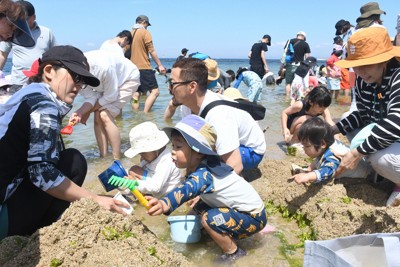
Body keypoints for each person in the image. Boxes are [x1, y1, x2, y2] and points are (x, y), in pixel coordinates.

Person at [0, 45, 129, 240]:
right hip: (5, 223)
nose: (78, 86)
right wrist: (94, 200)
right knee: (73, 161)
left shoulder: (23, 96)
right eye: (75, 77)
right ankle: (35, 235)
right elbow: (42, 174)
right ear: (49, 71)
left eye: (82, 81)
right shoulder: (44, 106)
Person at [147, 115, 267, 263]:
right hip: (244, 211)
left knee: (208, 218)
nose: (172, 151)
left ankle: (233, 252)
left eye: (178, 147)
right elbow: (193, 190)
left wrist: (163, 203)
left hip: (254, 217)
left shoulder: (204, 174)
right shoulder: (201, 167)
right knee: (199, 206)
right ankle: (206, 232)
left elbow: (185, 190)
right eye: (173, 146)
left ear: (198, 152)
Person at [332, 27, 400, 207]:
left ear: (384, 60)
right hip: (389, 138)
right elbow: (363, 115)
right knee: (348, 119)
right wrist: (332, 130)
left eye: (366, 64)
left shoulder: (398, 76)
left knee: (380, 158)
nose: (360, 71)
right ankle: (377, 171)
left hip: (395, 135)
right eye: (356, 65)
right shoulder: (363, 81)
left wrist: (357, 152)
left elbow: (396, 122)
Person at [166, 58, 266, 174]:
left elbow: (235, 165)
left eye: (172, 83)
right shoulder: (186, 106)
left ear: (192, 87)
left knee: (214, 167)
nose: (169, 88)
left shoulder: (218, 115)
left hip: (250, 150)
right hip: (228, 142)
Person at [70, 49, 140, 160]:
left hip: (128, 78)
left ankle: (117, 157)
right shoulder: (75, 74)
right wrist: (80, 112)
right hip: (107, 85)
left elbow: (110, 96)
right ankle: (103, 156)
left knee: (104, 114)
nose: (78, 87)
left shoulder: (103, 67)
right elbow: (91, 97)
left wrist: (87, 111)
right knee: (97, 116)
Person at [289, 117, 370, 185]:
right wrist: (310, 168)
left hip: (364, 176)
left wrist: (308, 176)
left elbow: (327, 171)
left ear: (322, 144)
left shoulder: (333, 153)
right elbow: (319, 157)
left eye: (306, 146)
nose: (304, 149)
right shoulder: (325, 145)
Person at [0, 1, 56, 93]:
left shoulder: (47, 32)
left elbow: (54, 56)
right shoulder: (6, 34)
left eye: (14, 30)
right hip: (18, 82)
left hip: (40, 82)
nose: (10, 35)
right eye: (10, 25)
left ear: (34, 17)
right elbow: (2, 55)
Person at [124, 121, 181, 199]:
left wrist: (135, 183)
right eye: (140, 153)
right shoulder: (150, 157)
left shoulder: (167, 160)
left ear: (155, 148)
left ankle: (140, 197)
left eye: (143, 153)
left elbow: (156, 187)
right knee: (132, 171)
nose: (142, 157)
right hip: (154, 184)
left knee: (134, 171)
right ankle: (134, 196)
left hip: (166, 195)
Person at [129, 15, 166, 113]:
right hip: (144, 67)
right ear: (144, 22)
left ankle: (135, 115)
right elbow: (152, 51)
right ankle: (146, 113)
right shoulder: (145, 32)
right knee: (155, 92)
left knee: (136, 94)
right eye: (147, 25)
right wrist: (160, 65)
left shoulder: (129, 34)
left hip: (131, 69)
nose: (147, 27)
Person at [283, 31, 311, 97]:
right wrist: (308, 67)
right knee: (299, 83)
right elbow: (307, 57)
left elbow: (285, 53)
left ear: (297, 35)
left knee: (288, 83)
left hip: (290, 64)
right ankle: (297, 98)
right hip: (300, 66)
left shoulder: (289, 41)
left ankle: (287, 98)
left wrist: (282, 65)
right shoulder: (305, 44)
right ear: (303, 37)